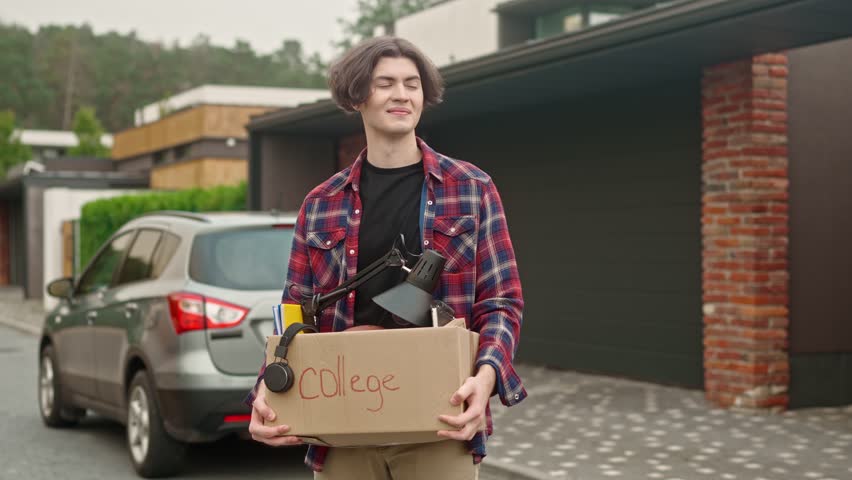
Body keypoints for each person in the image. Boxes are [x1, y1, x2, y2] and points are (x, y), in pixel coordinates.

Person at [246, 36, 526, 479]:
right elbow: (294, 309)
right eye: (386, 84)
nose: (402, 95)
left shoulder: (471, 188)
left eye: (412, 84)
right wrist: (267, 386)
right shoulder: (321, 203)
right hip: (341, 425)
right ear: (357, 96)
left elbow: (501, 303)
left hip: (439, 421)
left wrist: (487, 375)